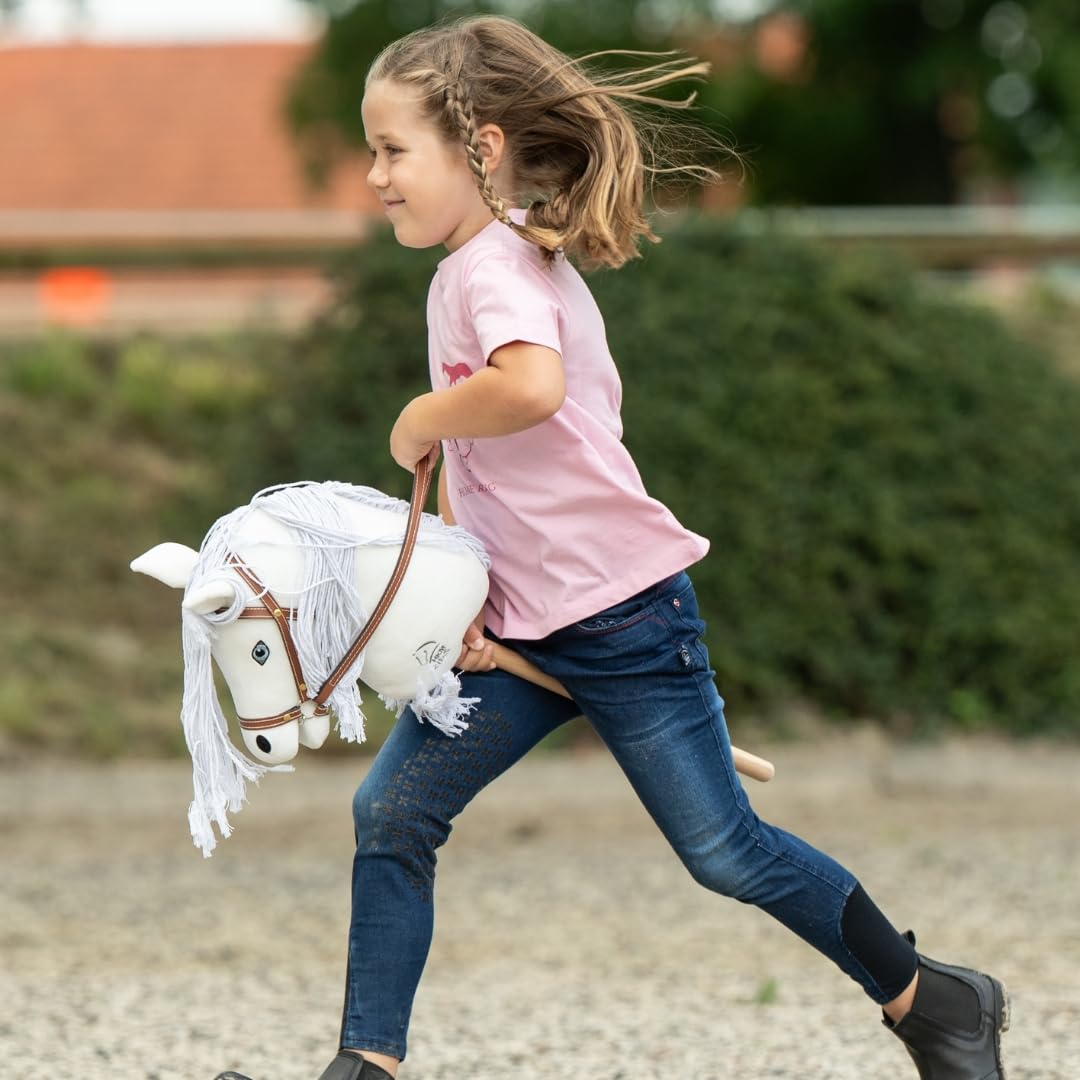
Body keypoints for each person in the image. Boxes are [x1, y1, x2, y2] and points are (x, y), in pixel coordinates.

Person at [217, 15, 1009, 1080]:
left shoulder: (485, 273)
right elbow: (513, 474)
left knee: (727, 853)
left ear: (481, 149)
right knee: (393, 811)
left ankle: (936, 1001)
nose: (375, 175)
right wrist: (477, 607)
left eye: (394, 150)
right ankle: (366, 1066)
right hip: (535, 626)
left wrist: (420, 417)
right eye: (373, 152)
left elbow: (528, 393)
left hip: (624, 619)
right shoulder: (496, 266)